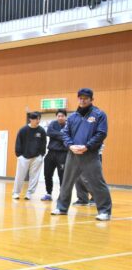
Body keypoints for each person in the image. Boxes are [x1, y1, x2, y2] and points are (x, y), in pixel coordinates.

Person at [52, 88, 112, 221]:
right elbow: (65, 133)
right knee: (66, 182)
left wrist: (87, 146)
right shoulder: (72, 116)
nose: (83, 100)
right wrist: (70, 145)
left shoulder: (99, 114)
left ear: (91, 99)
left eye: (85, 98)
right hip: (72, 154)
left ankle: (105, 211)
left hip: (90, 155)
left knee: (97, 183)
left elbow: (101, 133)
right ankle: (61, 208)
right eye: (80, 98)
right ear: (78, 98)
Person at [12, 112, 47, 200]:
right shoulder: (23, 130)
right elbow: (18, 143)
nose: (38, 121)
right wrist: (19, 155)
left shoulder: (41, 130)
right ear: (30, 119)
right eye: (36, 119)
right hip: (23, 157)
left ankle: (29, 193)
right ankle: (16, 193)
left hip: (36, 157)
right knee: (20, 175)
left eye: (39, 119)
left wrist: (41, 155)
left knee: (34, 176)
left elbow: (44, 143)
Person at [41, 108, 68, 201]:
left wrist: (57, 135)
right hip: (51, 153)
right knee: (47, 174)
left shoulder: (69, 125)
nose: (60, 118)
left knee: (62, 175)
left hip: (63, 154)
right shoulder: (53, 123)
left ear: (65, 117)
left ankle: (62, 195)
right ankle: (48, 193)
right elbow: (49, 132)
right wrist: (62, 135)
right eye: (58, 116)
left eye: (62, 116)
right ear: (56, 116)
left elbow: (68, 136)